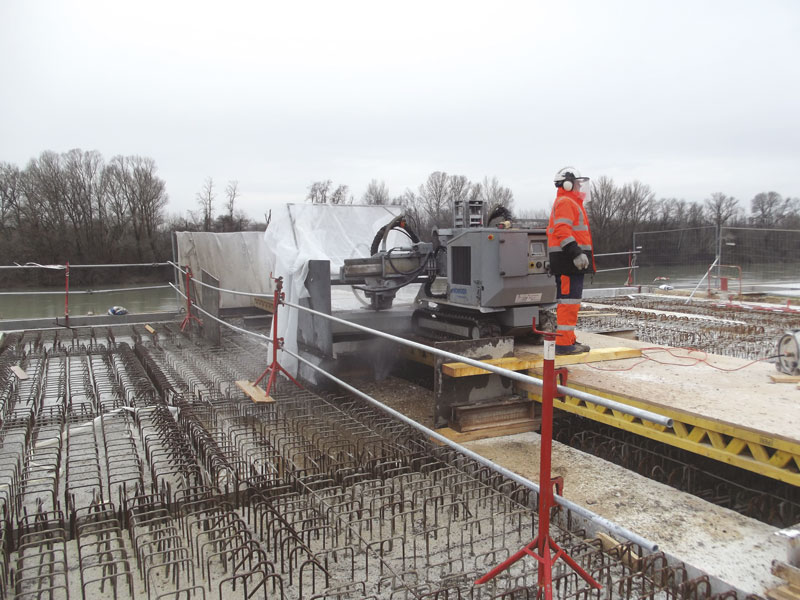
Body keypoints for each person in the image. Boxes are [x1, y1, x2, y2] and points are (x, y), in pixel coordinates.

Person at [546, 167, 595, 355]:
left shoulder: (571, 202)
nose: (580, 187)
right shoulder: (566, 202)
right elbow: (562, 230)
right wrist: (576, 253)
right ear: (567, 184)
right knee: (568, 304)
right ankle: (564, 345)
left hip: (570, 263)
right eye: (577, 183)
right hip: (568, 262)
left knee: (571, 303)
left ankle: (568, 340)